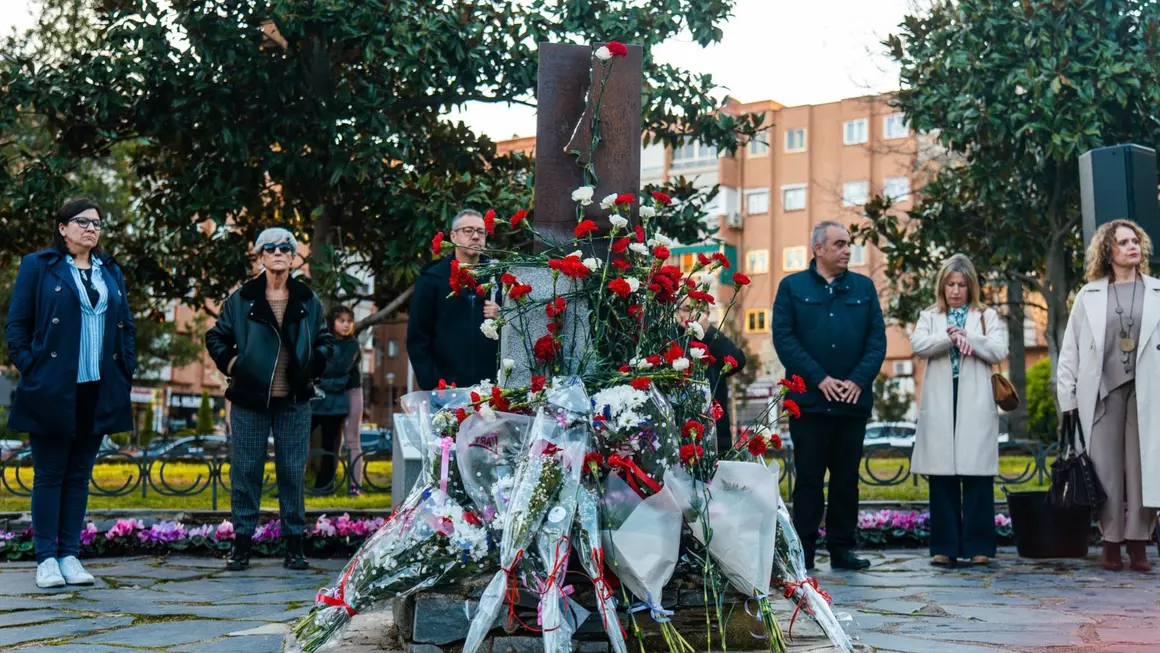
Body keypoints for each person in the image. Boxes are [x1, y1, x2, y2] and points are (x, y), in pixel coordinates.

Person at [5, 198, 135, 588]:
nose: (91, 228)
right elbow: (17, 326)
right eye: (82, 221)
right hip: (53, 387)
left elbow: (125, 326)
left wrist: (125, 371)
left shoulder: (109, 270)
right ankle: (46, 559)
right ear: (62, 228)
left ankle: (70, 555)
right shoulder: (38, 266)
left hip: (99, 387)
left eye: (97, 223)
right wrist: (35, 367)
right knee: (49, 474)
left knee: (79, 475)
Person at [205, 227, 333, 572]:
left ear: (293, 258)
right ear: (260, 256)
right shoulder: (242, 298)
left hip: (294, 398)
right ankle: (241, 545)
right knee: (246, 471)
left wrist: (312, 365)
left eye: (285, 248)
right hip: (249, 398)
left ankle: (294, 545)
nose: (278, 252)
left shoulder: (308, 299)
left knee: (292, 471)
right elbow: (216, 336)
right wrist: (235, 365)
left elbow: (324, 340)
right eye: (271, 248)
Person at [772, 220, 886, 571]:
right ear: (818, 249)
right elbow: (785, 339)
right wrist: (819, 378)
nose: (847, 250)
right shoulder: (792, 287)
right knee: (808, 479)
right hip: (810, 402)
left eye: (848, 244)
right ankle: (803, 553)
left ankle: (842, 549)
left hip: (852, 402)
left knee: (846, 480)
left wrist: (858, 380)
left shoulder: (864, 288)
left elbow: (876, 341)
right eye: (839, 244)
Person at [1058, 219, 1160, 572]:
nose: (1132, 247)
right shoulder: (1089, 295)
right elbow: (1070, 349)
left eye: (1136, 241)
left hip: (1148, 393)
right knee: (1106, 471)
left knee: (1143, 468)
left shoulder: (1157, 291)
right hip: (1102, 393)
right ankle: (1111, 543)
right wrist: (1067, 398)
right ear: (1108, 251)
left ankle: (1139, 544)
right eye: (1123, 242)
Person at [910, 254, 1008, 566]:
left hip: (976, 400)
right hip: (941, 399)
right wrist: (948, 336)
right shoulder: (930, 316)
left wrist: (969, 336)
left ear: (970, 287)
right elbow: (919, 345)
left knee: (977, 475)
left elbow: (998, 349)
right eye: (950, 284)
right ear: (942, 286)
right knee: (942, 476)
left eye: (961, 285)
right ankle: (945, 547)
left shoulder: (985, 315)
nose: (955, 290)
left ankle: (980, 547)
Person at [407, 209, 500, 390]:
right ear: (453, 237)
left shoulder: (499, 277)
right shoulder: (432, 279)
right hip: (447, 391)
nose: (475, 237)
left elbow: (518, 330)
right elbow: (418, 339)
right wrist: (432, 384)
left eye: (481, 232)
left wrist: (503, 315)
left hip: (493, 391)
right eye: (468, 231)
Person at [679, 302, 747, 452]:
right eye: (687, 309)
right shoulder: (671, 339)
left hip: (716, 434)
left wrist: (708, 332)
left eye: (699, 310)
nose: (693, 314)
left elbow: (738, 360)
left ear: (708, 315)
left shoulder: (713, 339)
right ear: (678, 313)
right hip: (679, 432)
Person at [311, 305, 363, 495]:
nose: (346, 325)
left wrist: (321, 378)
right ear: (332, 322)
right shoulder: (321, 341)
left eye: (349, 321)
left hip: (348, 393)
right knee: (307, 440)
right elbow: (315, 364)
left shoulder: (352, 345)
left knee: (348, 440)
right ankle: (311, 484)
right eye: (341, 321)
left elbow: (339, 367)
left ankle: (353, 486)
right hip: (321, 397)